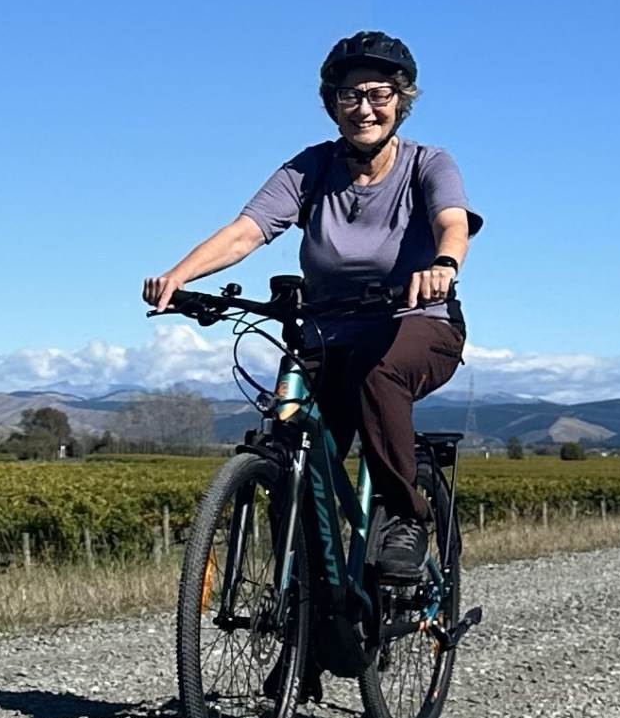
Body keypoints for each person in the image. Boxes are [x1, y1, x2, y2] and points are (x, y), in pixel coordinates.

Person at [143, 31, 480, 580]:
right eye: (349, 96)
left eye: (378, 93)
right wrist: (178, 276)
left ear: (401, 100)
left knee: (381, 377)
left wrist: (443, 266)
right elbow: (246, 232)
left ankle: (406, 517)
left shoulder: (428, 163)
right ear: (331, 105)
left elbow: (452, 222)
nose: (364, 108)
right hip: (328, 330)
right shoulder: (311, 168)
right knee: (290, 437)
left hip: (415, 322)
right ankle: (304, 600)